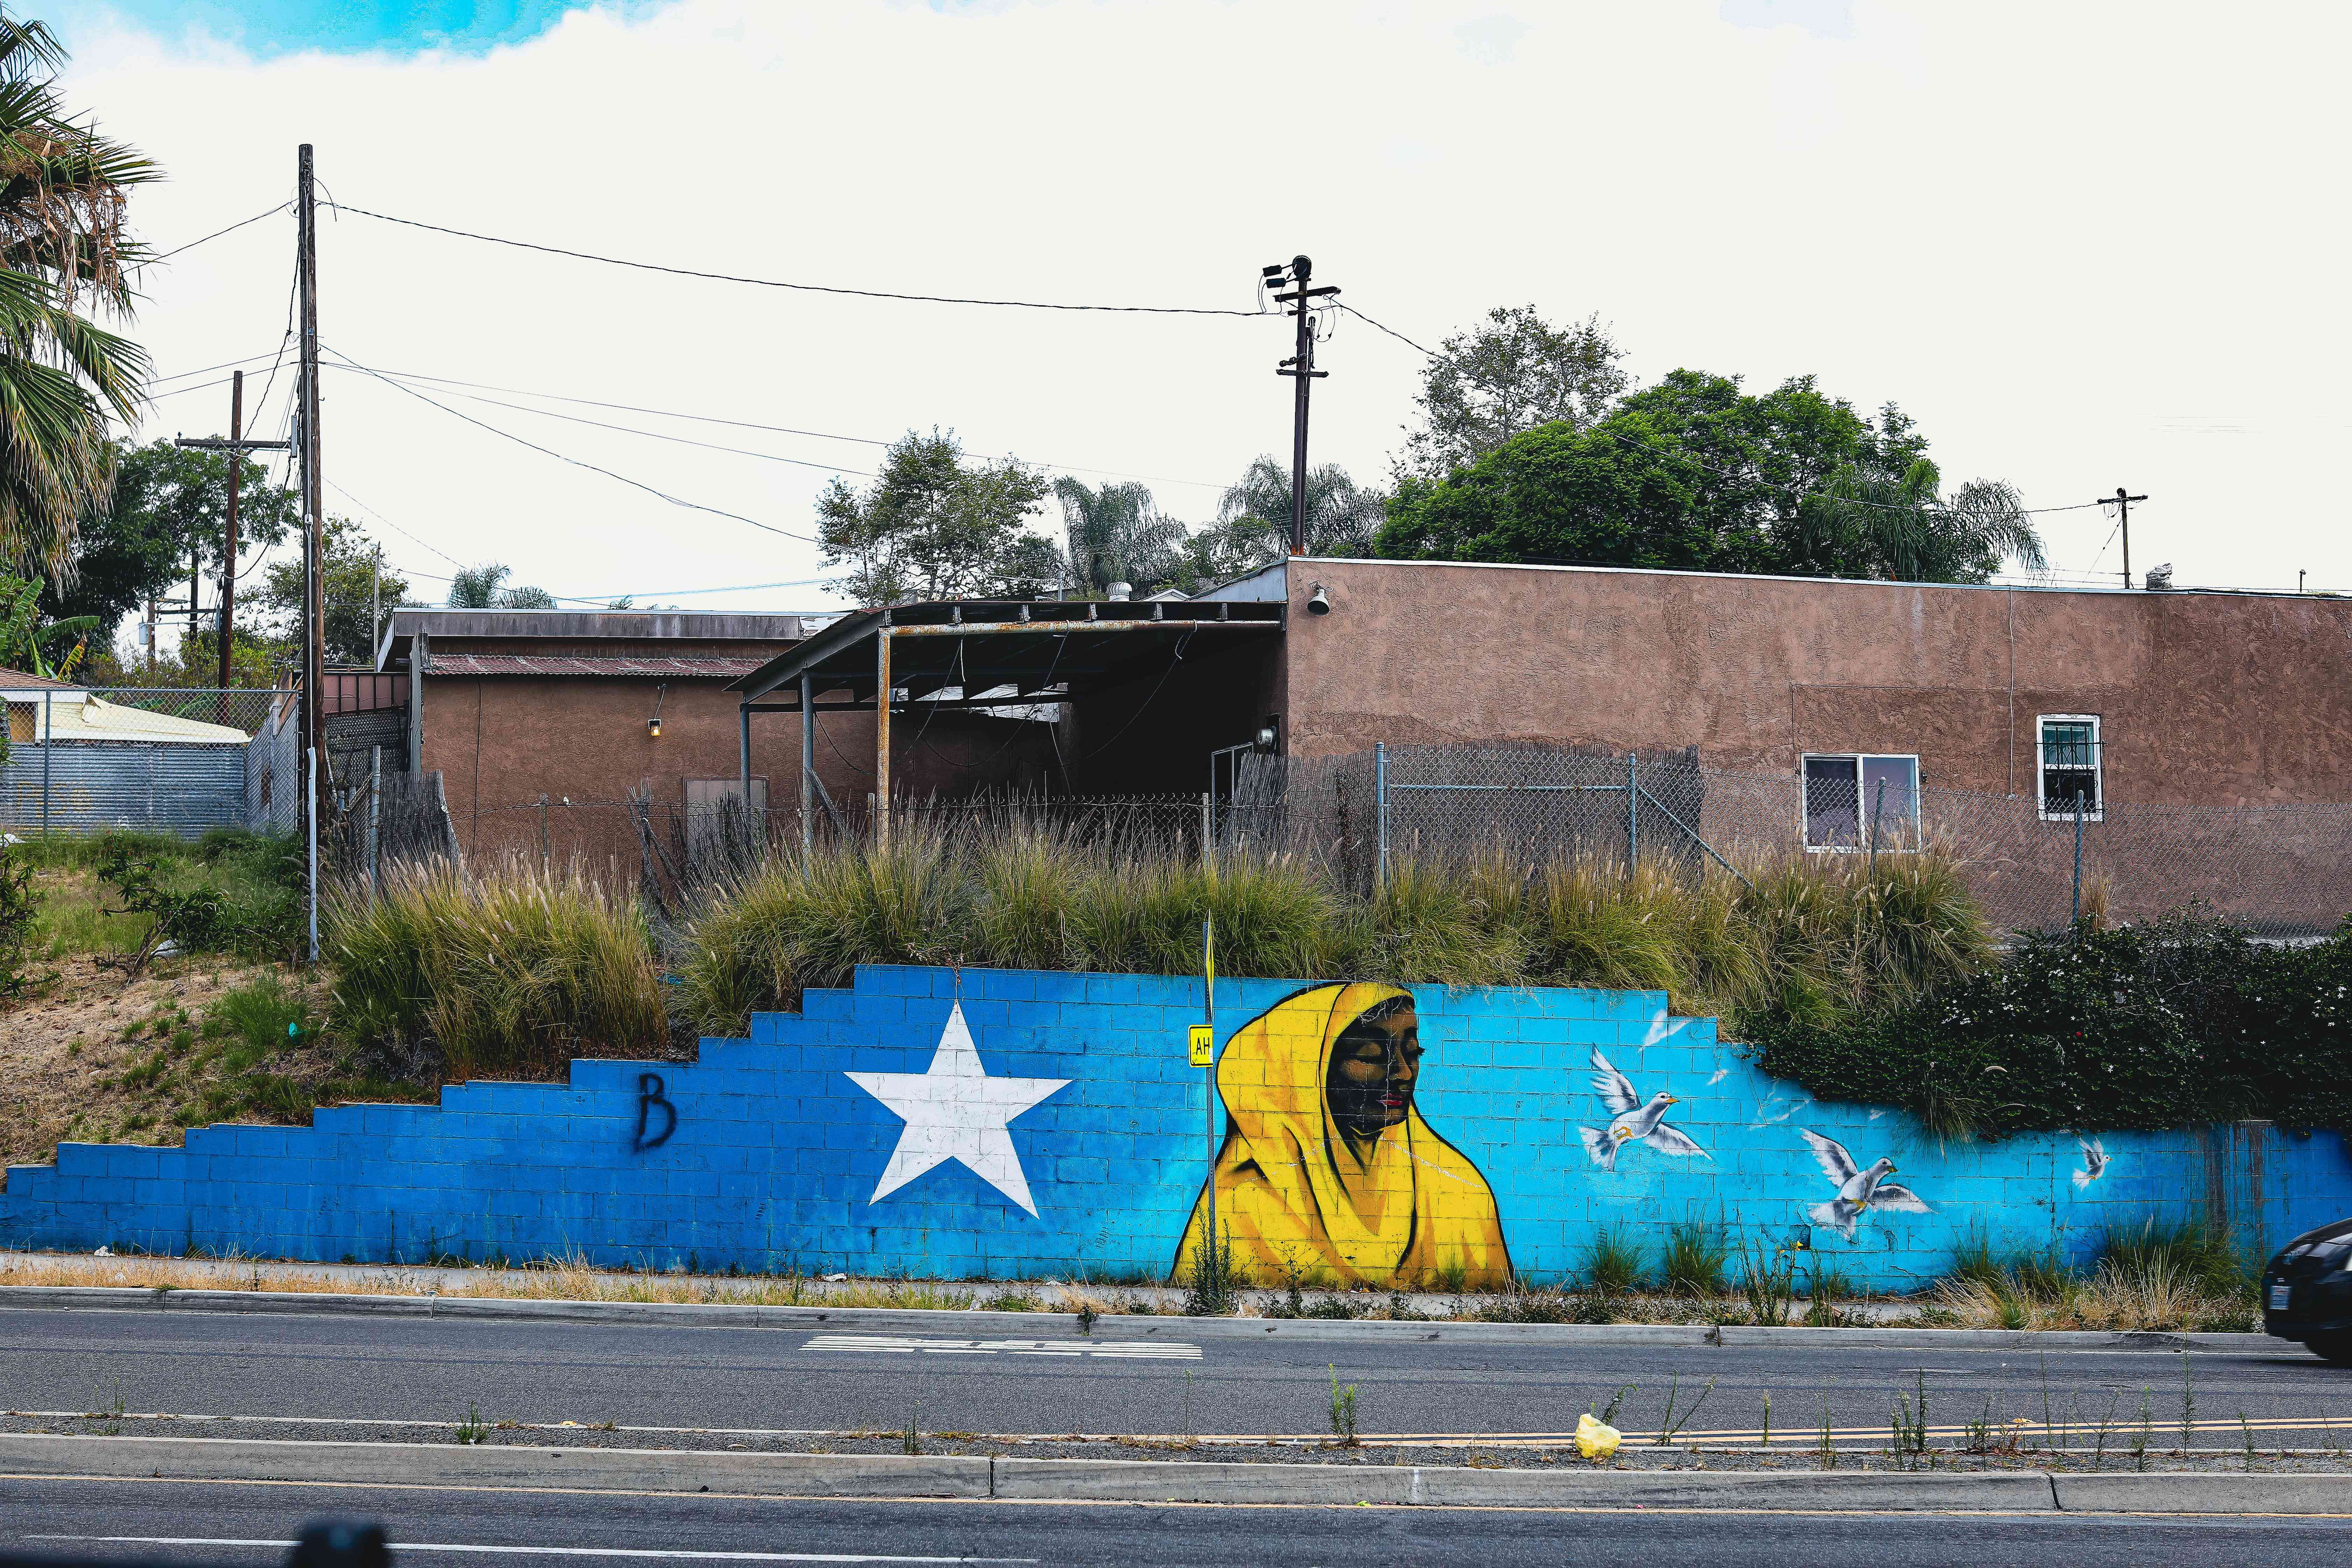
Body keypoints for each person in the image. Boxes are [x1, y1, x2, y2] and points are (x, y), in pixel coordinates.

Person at [1172, 981, 1511, 1290]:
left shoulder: (1460, 1191)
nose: (1403, 1073)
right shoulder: (1243, 1198)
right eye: (1371, 1056)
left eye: (1413, 1053)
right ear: (1307, 1072)